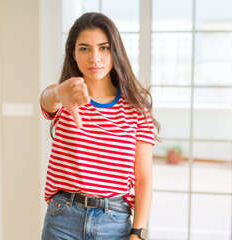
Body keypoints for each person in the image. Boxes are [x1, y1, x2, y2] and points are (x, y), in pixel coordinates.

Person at [40, 12, 159, 240]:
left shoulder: (137, 110)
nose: (94, 58)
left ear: (116, 52)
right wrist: (58, 91)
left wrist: (138, 233)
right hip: (63, 218)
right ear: (73, 53)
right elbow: (47, 99)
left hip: (114, 222)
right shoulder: (65, 97)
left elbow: (144, 179)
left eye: (103, 48)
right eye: (84, 48)